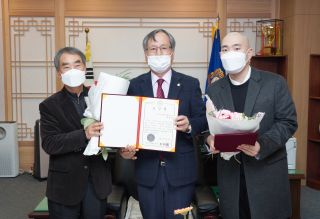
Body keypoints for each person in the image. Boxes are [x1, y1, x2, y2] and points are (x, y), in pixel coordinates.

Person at [206, 32, 298, 219]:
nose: (230, 53)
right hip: (231, 176)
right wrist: (210, 139)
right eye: (225, 50)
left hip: (266, 173)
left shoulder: (274, 83)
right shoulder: (215, 89)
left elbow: (288, 121)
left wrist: (261, 145)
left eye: (236, 48)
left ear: (249, 54)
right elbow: (208, 125)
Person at [120, 29, 208, 219]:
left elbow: (203, 119)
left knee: (178, 217)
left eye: (163, 48)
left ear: (172, 52)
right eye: (153, 49)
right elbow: (128, 125)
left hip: (181, 172)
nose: (158, 53)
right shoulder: (135, 85)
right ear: (145, 54)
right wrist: (124, 149)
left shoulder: (190, 84)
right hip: (147, 172)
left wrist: (189, 125)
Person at [39, 47, 111, 219]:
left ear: (85, 68)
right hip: (65, 185)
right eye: (66, 66)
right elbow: (50, 143)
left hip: (97, 182)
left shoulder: (101, 98)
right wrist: (84, 135)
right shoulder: (49, 105)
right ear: (59, 73)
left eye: (77, 65)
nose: (73, 70)